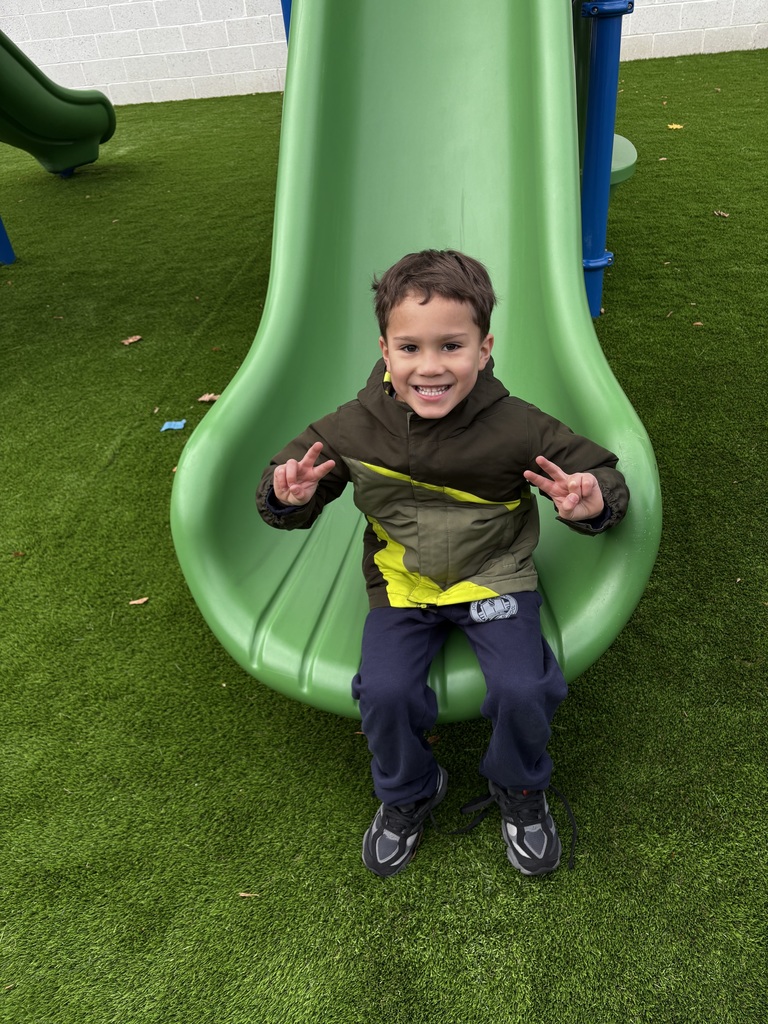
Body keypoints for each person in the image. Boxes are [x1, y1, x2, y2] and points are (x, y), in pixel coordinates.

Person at [256, 249, 629, 878]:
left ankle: (521, 787)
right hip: (405, 581)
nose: (430, 367)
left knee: (524, 686)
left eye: (451, 346)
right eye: (410, 349)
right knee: (385, 691)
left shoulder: (518, 426)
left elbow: (600, 473)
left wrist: (588, 500)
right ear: (385, 349)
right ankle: (409, 792)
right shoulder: (352, 428)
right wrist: (286, 494)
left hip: (494, 572)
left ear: (484, 349)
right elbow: (295, 477)